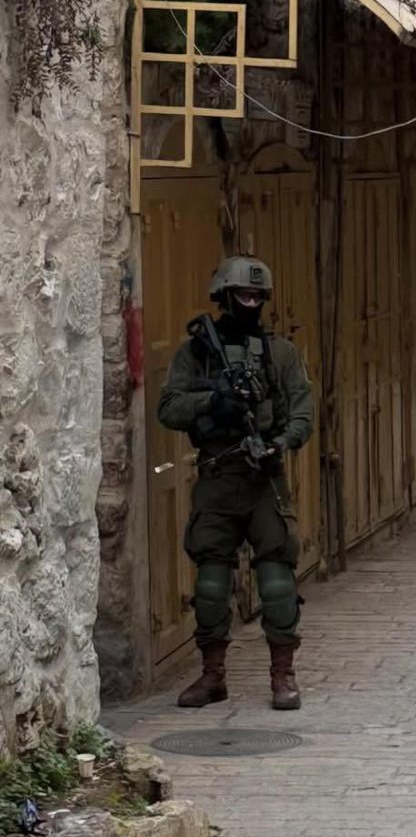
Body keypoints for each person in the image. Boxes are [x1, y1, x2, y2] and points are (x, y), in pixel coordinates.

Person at [158, 256, 314, 710]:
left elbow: (302, 411)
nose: (251, 302)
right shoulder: (196, 353)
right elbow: (168, 408)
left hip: (264, 477)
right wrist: (213, 402)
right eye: (243, 294)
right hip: (218, 474)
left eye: (258, 295)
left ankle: (283, 674)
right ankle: (213, 676)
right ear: (224, 296)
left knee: (277, 580)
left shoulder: (280, 353)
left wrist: (280, 443)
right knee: (210, 583)